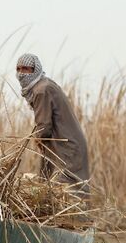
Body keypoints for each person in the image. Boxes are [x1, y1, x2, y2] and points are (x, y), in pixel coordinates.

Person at [16, 53, 90, 193]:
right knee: (63, 191)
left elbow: (43, 128)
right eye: (18, 69)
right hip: (67, 147)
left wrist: (36, 138)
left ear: (35, 70)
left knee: (68, 194)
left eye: (26, 69)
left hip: (68, 149)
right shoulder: (45, 85)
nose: (21, 74)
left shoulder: (41, 91)